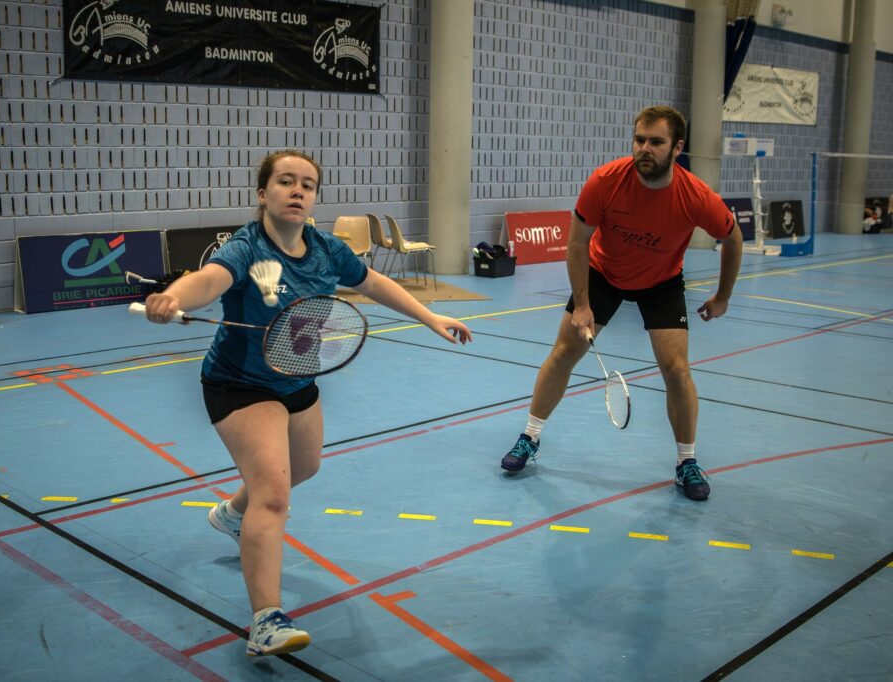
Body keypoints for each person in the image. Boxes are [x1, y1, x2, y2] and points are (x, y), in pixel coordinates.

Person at [142, 150, 472, 657]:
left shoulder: (324, 249)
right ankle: (265, 620)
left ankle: (232, 514)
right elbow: (209, 280)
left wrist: (430, 317)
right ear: (262, 193)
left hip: (297, 379)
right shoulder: (244, 248)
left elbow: (373, 282)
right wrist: (176, 298)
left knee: (305, 467)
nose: (298, 191)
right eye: (286, 182)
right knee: (273, 494)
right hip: (241, 384)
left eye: (308, 185)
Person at [499, 105, 743, 502]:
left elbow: (732, 239)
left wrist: (723, 297)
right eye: (639, 140)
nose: (644, 148)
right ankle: (529, 437)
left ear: (677, 147)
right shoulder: (606, 181)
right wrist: (581, 304)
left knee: (677, 370)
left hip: (661, 282)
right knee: (564, 352)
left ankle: (687, 462)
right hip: (603, 274)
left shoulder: (695, 196)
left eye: (656, 142)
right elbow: (577, 242)